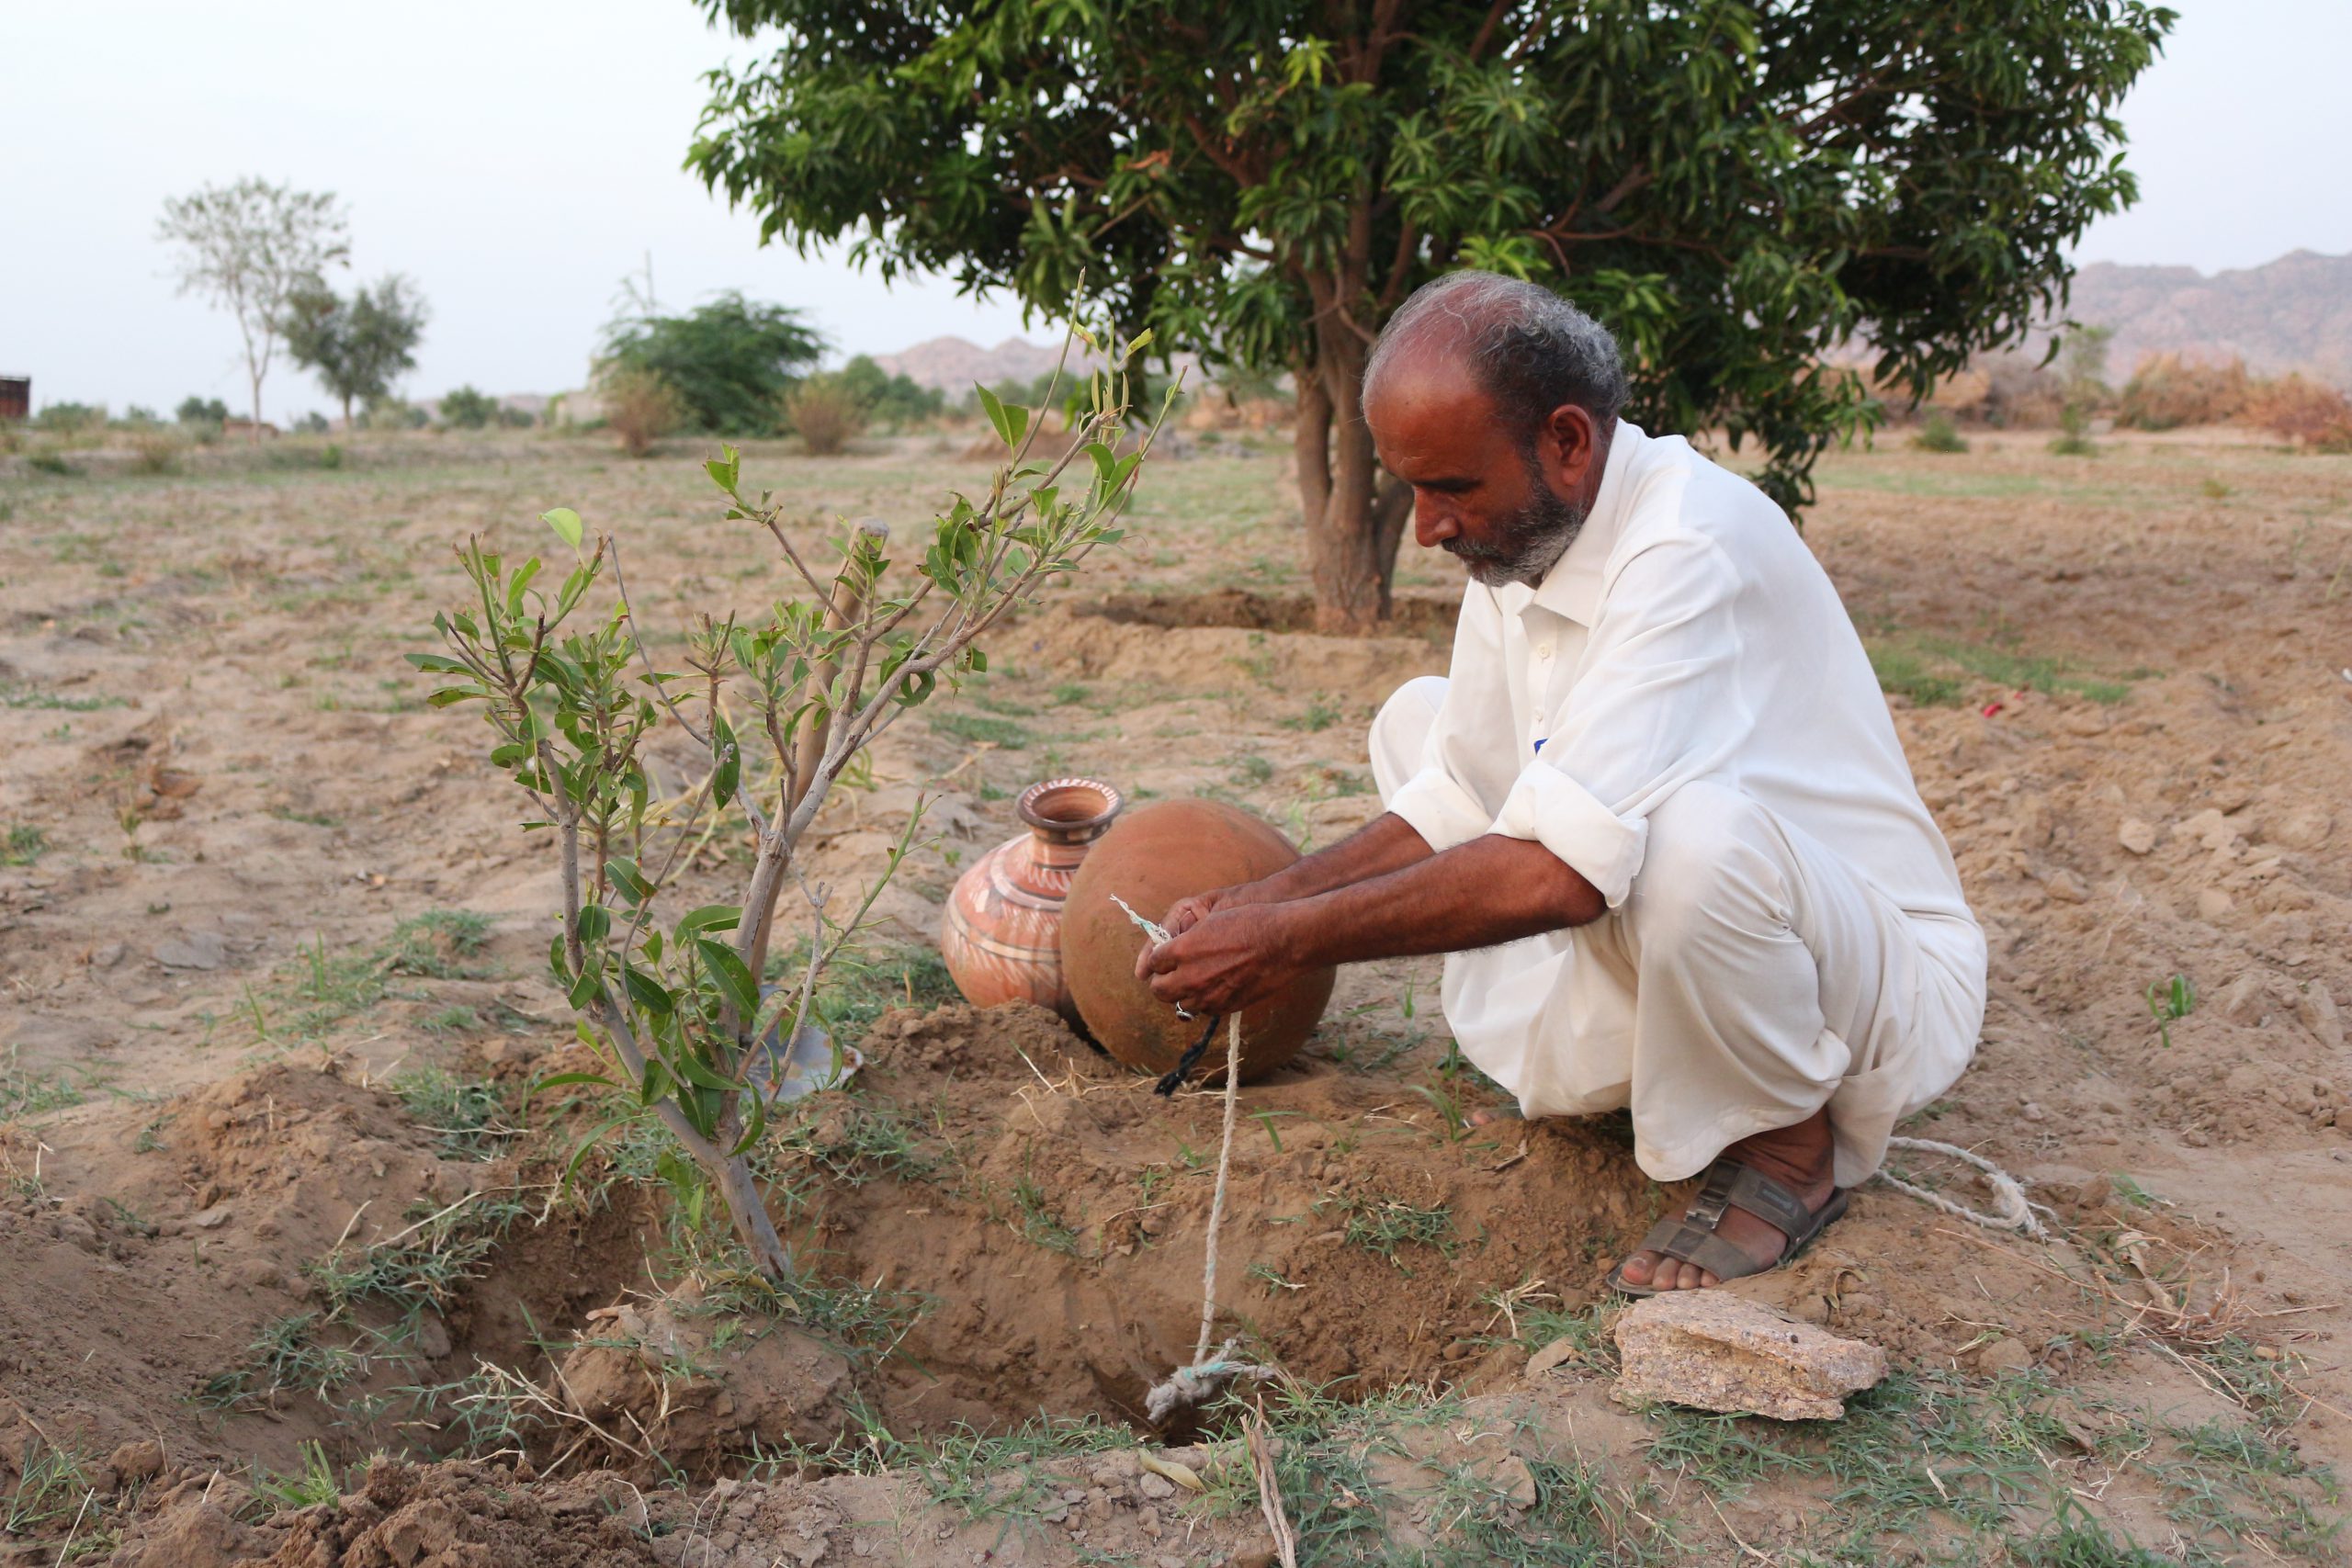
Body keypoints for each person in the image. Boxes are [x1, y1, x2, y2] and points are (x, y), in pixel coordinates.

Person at [1134, 271, 1985, 1294]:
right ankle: (1659, 1079)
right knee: (1420, 712)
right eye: (1412, 489)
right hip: (1720, 926)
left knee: (1688, 847)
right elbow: (1462, 791)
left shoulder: (1687, 545)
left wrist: (1286, 942)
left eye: (1449, 487)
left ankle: (1789, 1155)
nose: (1426, 529)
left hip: (1870, 974)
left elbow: (1560, 877)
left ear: (1568, 442)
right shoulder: (1526, 541)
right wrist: (1262, 900)